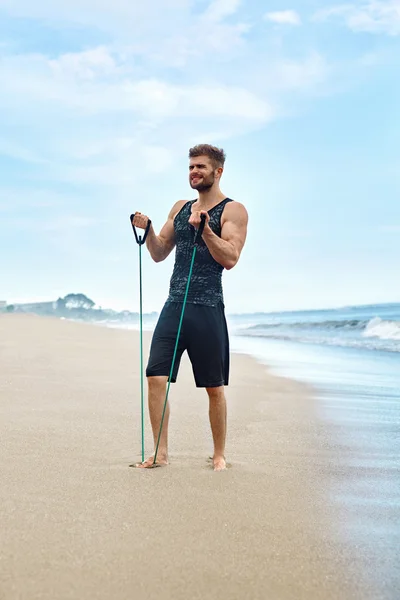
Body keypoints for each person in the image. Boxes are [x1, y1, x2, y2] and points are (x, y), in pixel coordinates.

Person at [132, 143, 248, 471]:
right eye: (190, 167)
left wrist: (206, 230)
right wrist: (150, 229)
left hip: (208, 308)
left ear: (218, 171)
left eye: (201, 167)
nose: (194, 172)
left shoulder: (233, 210)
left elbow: (230, 258)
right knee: (155, 377)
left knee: (214, 387)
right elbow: (158, 253)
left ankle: (220, 454)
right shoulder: (181, 208)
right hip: (174, 304)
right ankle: (160, 453)